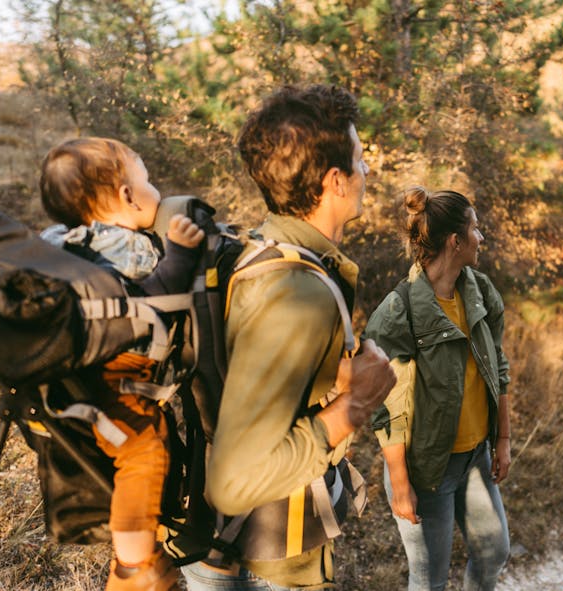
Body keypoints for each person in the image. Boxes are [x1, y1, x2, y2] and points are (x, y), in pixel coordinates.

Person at [180, 84, 396, 590]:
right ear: (335, 181)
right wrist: (354, 407)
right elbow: (234, 483)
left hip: (235, 551)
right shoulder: (296, 293)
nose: (369, 172)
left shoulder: (262, 248)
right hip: (262, 564)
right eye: (361, 160)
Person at [39, 136, 206, 591]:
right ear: (127, 197)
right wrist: (182, 254)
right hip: (114, 379)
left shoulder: (54, 243)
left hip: (66, 377)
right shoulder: (128, 249)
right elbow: (158, 299)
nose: (154, 189)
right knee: (144, 449)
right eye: (146, 180)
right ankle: (133, 567)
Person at [363, 187, 512, 591]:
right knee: (429, 580)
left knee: (493, 551)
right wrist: (400, 483)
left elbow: (498, 365)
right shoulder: (399, 312)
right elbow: (386, 406)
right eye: (476, 229)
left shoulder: (480, 292)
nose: (482, 238)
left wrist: (502, 440)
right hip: (427, 467)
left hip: (475, 457)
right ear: (455, 240)